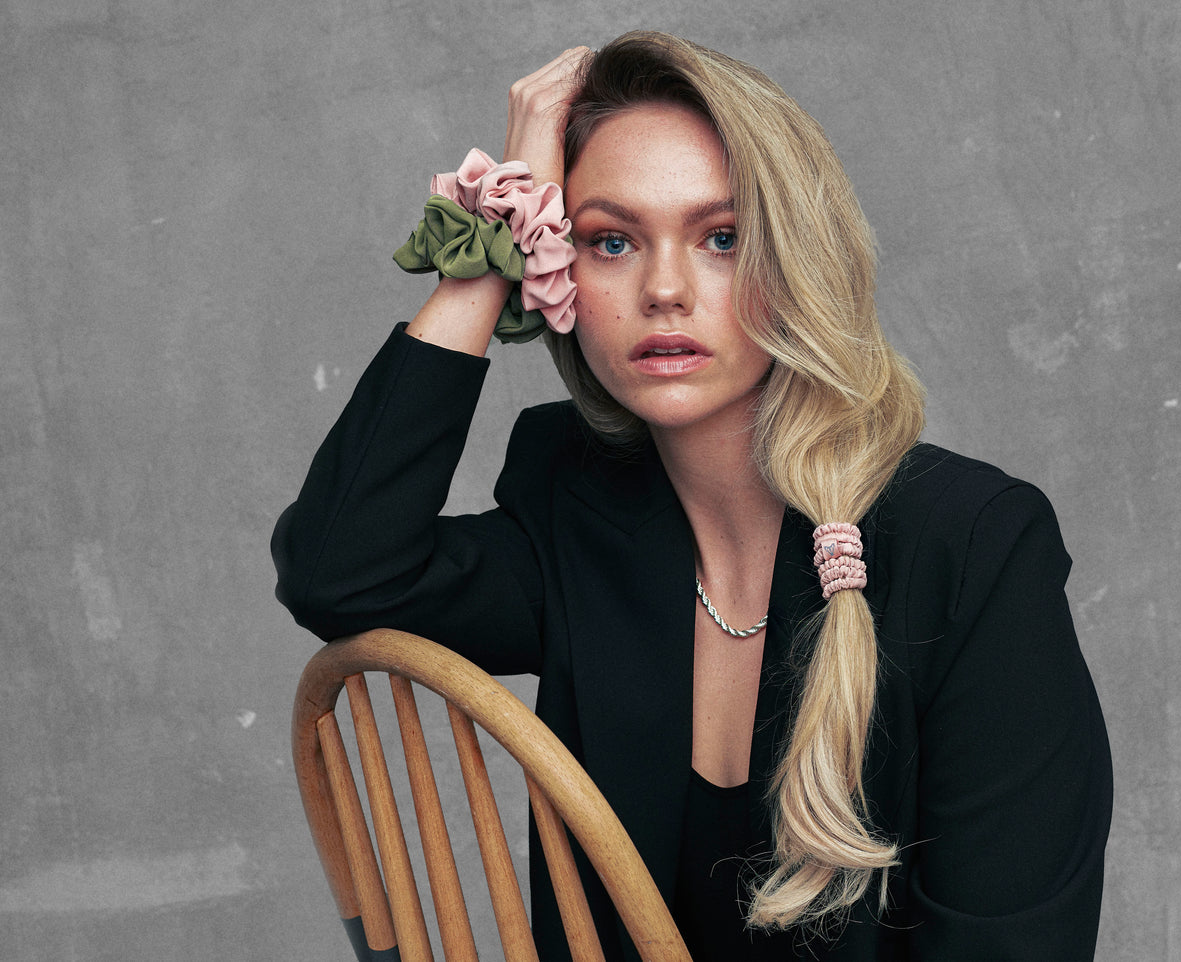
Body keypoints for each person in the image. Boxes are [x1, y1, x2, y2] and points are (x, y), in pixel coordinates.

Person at [273, 31, 1112, 961]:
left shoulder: (972, 548)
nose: (664, 289)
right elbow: (339, 573)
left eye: (722, 238)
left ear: (796, 260)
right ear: (558, 271)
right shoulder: (575, 503)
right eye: (609, 242)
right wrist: (488, 250)